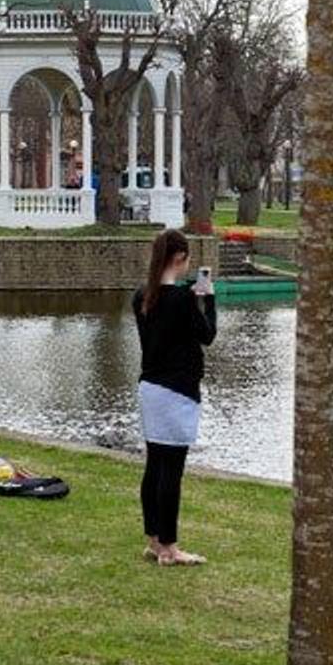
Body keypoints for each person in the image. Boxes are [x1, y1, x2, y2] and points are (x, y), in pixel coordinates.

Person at [132, 229, 217, 567]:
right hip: (177, 392)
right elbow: (207, 336)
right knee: (172, 470)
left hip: (150, 389)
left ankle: (154, 539)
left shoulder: (142, 297)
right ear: (180, 259)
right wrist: (208, 299)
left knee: (154, 465)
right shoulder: (181, 300)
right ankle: (169, 546)